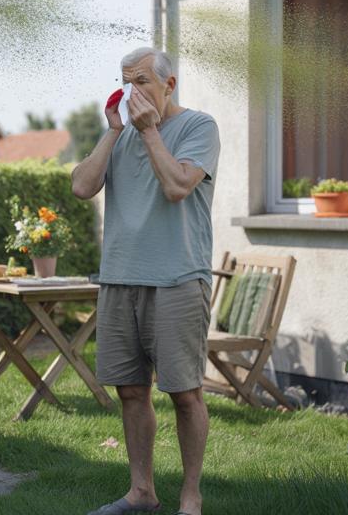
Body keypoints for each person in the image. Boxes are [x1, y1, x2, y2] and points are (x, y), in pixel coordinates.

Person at [71, 47, 221, 515]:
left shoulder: (199, 127)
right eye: (126, 81)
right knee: (131, 390)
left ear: (169, 85)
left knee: (184, 392)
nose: (132, 92)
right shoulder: (121, 133)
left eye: (142, 82)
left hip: (177, 277)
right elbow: (80, 186)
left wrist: (149, 130)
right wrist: (115, 131)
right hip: (119, 278)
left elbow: (178, 186)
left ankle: (190, 498)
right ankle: (141, 493)